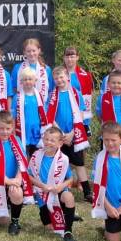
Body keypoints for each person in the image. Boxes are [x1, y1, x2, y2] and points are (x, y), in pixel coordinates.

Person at [0, 111, 33, 235]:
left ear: (12, 128)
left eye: (8, 128)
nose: (5, 132)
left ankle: (15, 222)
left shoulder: (16, 140)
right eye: (1, 128)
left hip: (12, 180)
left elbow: (22, 162)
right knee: (2, 222)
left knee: (17, 192)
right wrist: (7, 180)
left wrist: (17, 179)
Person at [47, 66, 91, 202]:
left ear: (67, 77)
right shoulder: (52, 95)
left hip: (74, 134)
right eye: (56, 78)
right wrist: (61, 134)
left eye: (61, 77)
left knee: (79, 163)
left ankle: (87, 193)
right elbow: (50, 116)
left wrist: (72, 133)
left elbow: (81, 114)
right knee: (59, 162)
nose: (59, 80)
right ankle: (62, 190)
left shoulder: (76, 93)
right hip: (58, 135)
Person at [28, 126, 78, 241]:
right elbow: (29, 176)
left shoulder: (63, 159)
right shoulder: (36, 156)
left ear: (60, 143)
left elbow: (70, 178)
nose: (48, 142)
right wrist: (41, 185)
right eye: (46, 139)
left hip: (58, 191)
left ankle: (68, 231)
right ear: (42, 139)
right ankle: (65, 215)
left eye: (52, 140)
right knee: (50, 227)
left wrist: (61, 187)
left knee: (69, 197)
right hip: (43, 194)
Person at [10, 67, 47, 156]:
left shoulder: (39, 97)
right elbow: (13, 117)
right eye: (25, 79)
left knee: (36, 156)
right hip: (22, 131)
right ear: (21, 81)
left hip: (36, 131)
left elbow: (44, 115)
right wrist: (13, 131)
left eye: (30, 79)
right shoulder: (16, 97)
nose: (28, 81)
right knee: (23, 155)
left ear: (35, 81)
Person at [62, 46, 94, 137]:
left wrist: (85, 120)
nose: (69, 59)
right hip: (64, 112)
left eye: (72, 56)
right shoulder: (58, 74)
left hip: (80, 112)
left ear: (77, 57)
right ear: (64, 58)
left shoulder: (85, 75)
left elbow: (87, 98)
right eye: (67, 56)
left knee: (81, 141)